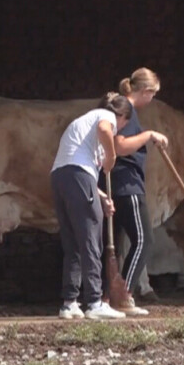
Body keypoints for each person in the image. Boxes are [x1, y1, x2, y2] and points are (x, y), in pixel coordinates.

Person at [51, 92, 131, 320]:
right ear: (122, 116)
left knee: (73, 243)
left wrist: (102, 196)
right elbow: (106, 130)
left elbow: (75, 169)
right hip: (78, 177)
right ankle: (95, 301)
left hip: (61, 178)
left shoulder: (83, 123)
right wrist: (111, 157)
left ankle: (69, 303)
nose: (120, 129)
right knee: (91, 239)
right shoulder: (106, 116)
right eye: (123, 125)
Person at [100, 67, 168, 316]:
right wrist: (149, 135)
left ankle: (106, 297)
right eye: (153, 94)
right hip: (126, 183)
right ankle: (124, 295)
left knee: (113, 243)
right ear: (146, 91)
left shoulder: (121, 108)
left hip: (116, 182)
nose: (152, 100)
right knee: (143, 239)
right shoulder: (126, 110)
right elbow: (120, 146)